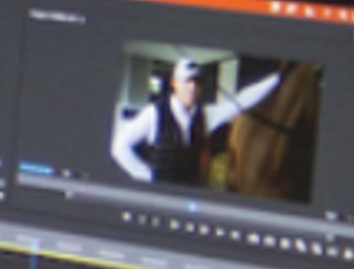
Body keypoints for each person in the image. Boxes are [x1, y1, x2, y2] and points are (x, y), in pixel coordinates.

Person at [110, 51, 280, 188]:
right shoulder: (154, 113)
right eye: (187, 81)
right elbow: (119, 146)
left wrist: (277, 80)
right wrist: (146, 176)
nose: (192, 87)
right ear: (174, 83)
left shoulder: (205, 116)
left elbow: (241, 101)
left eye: (197, 82)